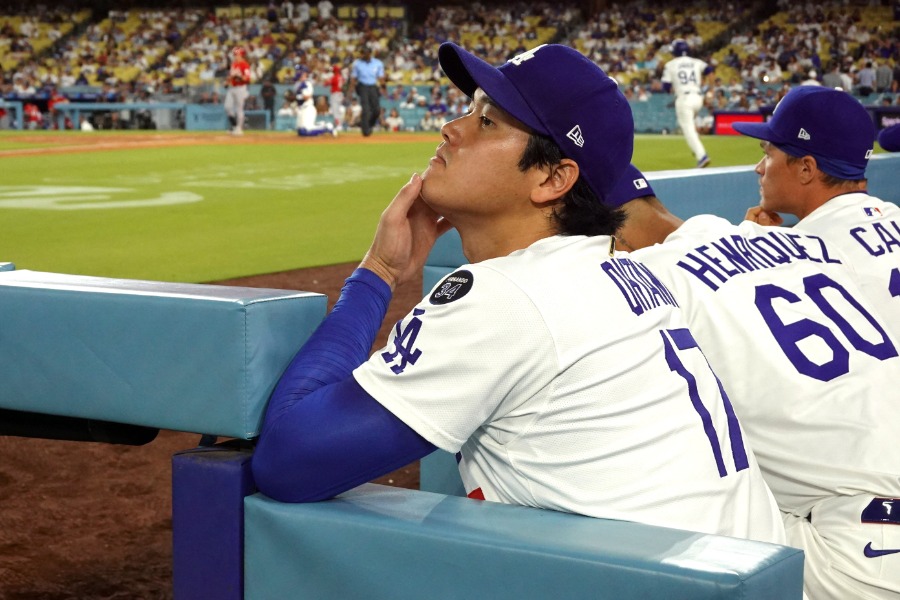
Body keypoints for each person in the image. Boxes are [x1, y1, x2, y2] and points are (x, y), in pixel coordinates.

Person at [251, 43, 786, 545]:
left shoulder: (512, 295)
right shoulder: (617, 271)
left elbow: (288, 462)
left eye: (486, 120)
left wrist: (378, 271)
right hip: (744, 567)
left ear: (554, 178)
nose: (451, 127)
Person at [608, 164, 900, 600]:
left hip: (867, 546)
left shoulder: (643, 275)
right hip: (870, 500)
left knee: (654, 504)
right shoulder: (810, 242)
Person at [736, 86, 900, 325]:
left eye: (769, 154)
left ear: (806, 169)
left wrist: (754, 260)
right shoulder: (893, 214)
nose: (759, 168)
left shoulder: (804, 256)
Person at [661, 38, 713, 168]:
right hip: (698, 97)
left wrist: (676, 89)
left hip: (684, 98)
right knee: (690, 125)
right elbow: (710, 71)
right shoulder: (696, 62)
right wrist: (709, 91)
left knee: (688, 129)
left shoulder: (671, 64)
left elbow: (666, 86)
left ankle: (701, 156)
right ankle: (696, 148)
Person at [349, 46, 384, 136]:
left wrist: (383, 87)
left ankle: (368, 124)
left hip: (373, 86)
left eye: (364, 53)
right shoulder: (357, 63)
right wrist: (350, 90)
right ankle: (366, 131)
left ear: (369, 54)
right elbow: (353, 78)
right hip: (362, 86)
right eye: (361, 53)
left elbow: (380, 77)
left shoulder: (378, 63)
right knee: (366, 108)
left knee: (376, 109)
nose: (362, 55)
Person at [293, 68, 335, 137]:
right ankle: (321, 125)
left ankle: (326, 127)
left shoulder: (306, 84)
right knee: (300, 132)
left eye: (302, 74)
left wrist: (296, 97)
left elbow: (307, 96)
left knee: (306, 131)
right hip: (302, 109)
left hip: (308, 108)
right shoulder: (300, 85)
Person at [224, 46, 251, 135]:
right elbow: (231, 76)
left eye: (237, 54)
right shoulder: (234, 64)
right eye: (235, 54)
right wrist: (227, 82)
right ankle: (234, 125)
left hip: (241, 88)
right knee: (227, 107)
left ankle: (239, 128)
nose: (235, 56)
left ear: (241, 55)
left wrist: (239, 77)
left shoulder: (245, 65)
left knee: (239, 109)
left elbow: (247, 78)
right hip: (232, 88)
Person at [327, 64, 344, 131]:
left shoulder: (335, 77)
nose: (332, 71)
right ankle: (338, 124)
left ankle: (339, 125)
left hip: (335, 94)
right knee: (338, 110)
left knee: (335, 110)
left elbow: (326, 83)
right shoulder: (340, 77)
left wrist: (326, 80)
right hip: (340, 94)